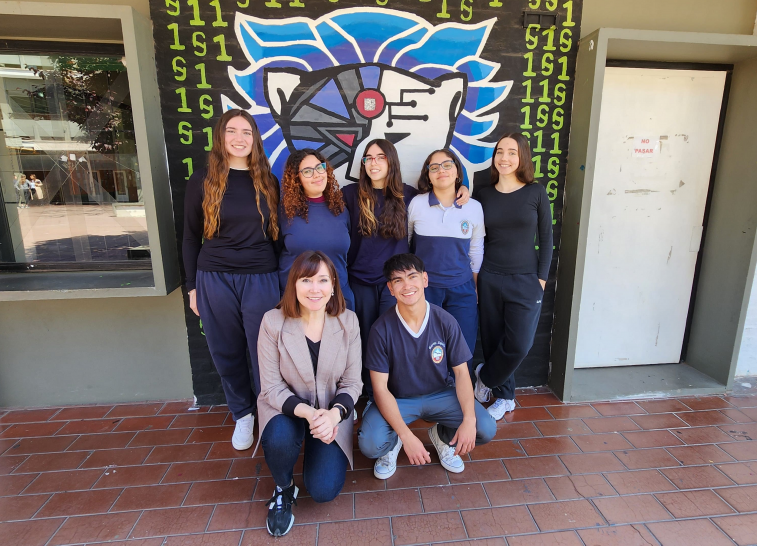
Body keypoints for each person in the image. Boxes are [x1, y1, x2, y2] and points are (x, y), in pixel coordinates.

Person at [183, 108, 281, 451]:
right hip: (215, 277)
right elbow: (190, 238)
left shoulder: (269, 181)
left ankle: (268, 410)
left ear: (255, 139)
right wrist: (192, 288)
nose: (239, 138)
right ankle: (242, 413)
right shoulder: (202, 181)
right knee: (225, 350)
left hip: (261, 277)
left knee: (265, 352)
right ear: (220, 137)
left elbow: (278, 237)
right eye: (232, 131)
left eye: (246, 132)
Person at [358, 254, 496, 480]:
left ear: (425, 279)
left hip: (440, 394)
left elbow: (462, 373)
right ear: (390, 289)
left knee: (485, 427)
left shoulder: (445, 320)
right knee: (371, 443)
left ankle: (442, 438)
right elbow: (380, 389)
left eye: (412, 277)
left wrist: (469, 420)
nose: (407, 285)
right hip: (399, 398)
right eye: (398, 280)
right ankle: (392, 445)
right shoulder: (381, 329)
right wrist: (405, 436)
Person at [257, 250, 362, 537]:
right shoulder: (272, 323)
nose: (314, 289)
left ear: (333, 286)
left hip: (330, 413)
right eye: (306, 280)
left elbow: (353, 383)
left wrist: (334, 415)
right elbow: (271, 387)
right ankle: (284, 486)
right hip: (286, 409)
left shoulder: (348, 322)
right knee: (278, 440)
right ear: (293, 284)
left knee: (323, 490)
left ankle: (313, 454)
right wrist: (309, 412)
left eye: (322, 280)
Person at [472, 133, 553, 420]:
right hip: (490, 277)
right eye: (500, 152)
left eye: (512, 152)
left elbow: (547, 240)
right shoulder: (482, 194)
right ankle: (505, 398)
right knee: (494, 341)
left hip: (526, 280)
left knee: (519, 344)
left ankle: (486, 377)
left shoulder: (536, 192)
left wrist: (540, 281)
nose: (504, 158)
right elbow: (475, 236)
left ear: (522, 158)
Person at [408, 149, 484, 366]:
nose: (441, 170)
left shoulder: (474, 208)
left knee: (463, 351)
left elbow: (476, 251)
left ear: (457, 172)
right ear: (428, 175)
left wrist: (475, 287)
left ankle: (461, 398)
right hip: (426, 292)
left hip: (462, 291)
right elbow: (406, 243)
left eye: (447, 165)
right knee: (425, 350)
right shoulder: (417, 205)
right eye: (434, 167)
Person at [278, 149, 354, 311]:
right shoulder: (285, 212)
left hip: (338, 299)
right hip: (297, 301)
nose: (317, 175)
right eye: (307, 171)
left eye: (320, 167)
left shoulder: (340, 210)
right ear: (296, 179)